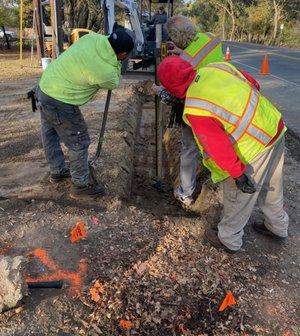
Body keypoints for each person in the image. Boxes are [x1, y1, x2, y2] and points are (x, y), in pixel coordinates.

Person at [157, 55, 289, 253]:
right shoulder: (216, 67)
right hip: (273, 127)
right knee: (271, 184)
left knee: (238, 196)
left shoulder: (196, 106)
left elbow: (217, 145)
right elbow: (254, 84)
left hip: (252, 147)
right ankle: (277, 226)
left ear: (173, 88)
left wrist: (237, 173)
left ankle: (229, 240)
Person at [37, 28, 134, 199]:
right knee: (79, 140)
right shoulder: (106, 73)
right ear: (123, 54)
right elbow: (115, 81)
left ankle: (57, 170)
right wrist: (120, 62)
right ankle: (79, 186)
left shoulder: (91, 38)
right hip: (61, 98)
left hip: (45, 87)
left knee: (50, 133)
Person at [153, 15, 225, 207]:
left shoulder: (185, 61)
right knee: (217, 142)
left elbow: (176, 95)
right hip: (221, 99)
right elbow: (199, 52)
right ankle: (221, 177)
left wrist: (158, 90)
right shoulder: (211, 38)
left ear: (176, 38)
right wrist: (181, 50)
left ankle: (186, 192)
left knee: (189, 148)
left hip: (197, 103)